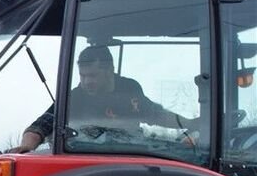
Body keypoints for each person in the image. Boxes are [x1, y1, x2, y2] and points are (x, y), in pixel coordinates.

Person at [13, 45, 194, 153]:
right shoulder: (74, 98)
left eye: (92, 76)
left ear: (110, 71)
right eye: (82, 76)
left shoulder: (130, 89)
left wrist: (190, 124)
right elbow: (39, 127)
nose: (86, 81)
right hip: (89, 160)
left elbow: (156, 115)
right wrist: (26, 147)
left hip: (132, 156)